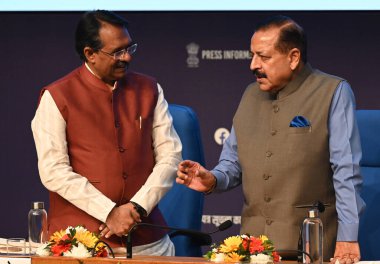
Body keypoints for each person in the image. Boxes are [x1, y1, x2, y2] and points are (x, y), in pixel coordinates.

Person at [176, 15, 365, 263]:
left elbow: (346, 169)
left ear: (293, 57)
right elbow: (232, 163)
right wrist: (212, 179)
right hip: (253, 248)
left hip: (312, 248)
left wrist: (348, 237)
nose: (253, 65)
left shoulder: (333, 92)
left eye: (264, 57)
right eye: (253, 55)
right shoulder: (250, 94)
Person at [31, 10, 182, 255]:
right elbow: (53, 170)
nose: (127, 58)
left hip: (148, 241)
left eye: (129, 48)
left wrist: (136, 208)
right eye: (117, 52)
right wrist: (109, 212)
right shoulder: (57, 96)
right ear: (90, 54)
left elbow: (171, 156)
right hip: (81, 244)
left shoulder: (150, 89)